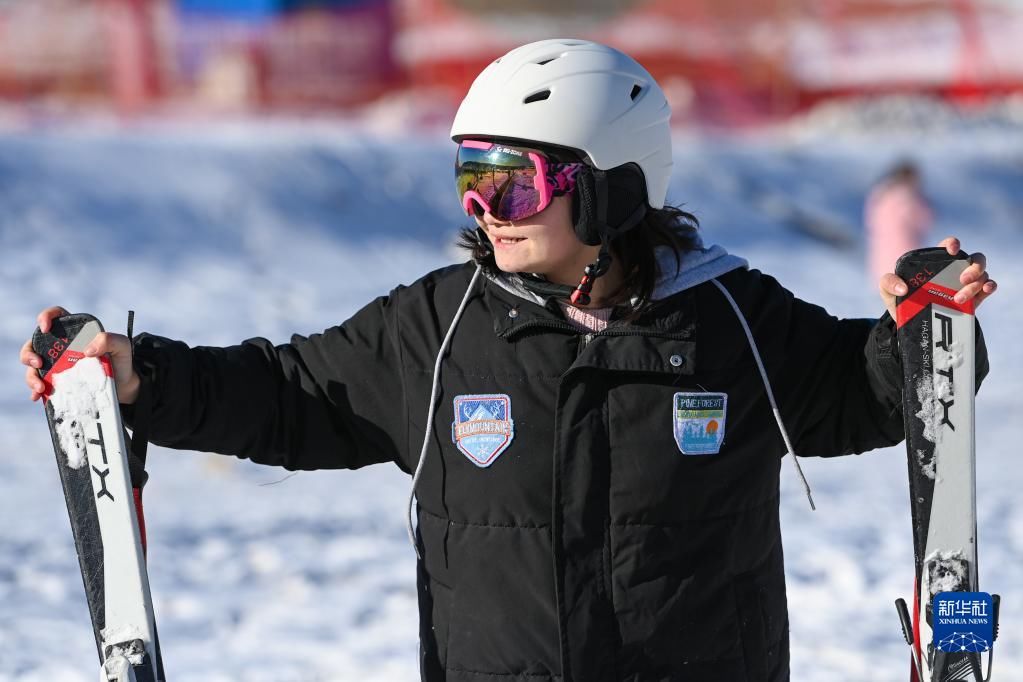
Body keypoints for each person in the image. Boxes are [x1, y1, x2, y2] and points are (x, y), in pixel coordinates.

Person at [21, 40, 998, 682]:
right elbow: (288, 395)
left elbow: (875, 397)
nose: (485, 208)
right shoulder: (440, 327)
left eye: (514, 181)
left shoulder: (732, 319)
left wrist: (925, 330)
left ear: (610, 185)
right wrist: (143, 376)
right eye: (470, 177)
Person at [865, 159, 934, 283]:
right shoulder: (908, 197)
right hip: (907, 253)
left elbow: (871, 222)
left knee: (887, 292)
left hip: (881, 255)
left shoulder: (880, 195)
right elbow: (925, 219)